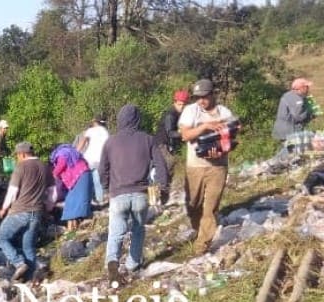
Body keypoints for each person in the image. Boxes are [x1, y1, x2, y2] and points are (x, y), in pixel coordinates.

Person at [99, 104, 170, 285]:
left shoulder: (110, 142)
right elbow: (161, 165)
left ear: (120, 120)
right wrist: (163, 187)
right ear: (138, 119)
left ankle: (112, 262)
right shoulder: (148, 139)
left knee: (116, 232)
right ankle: (133, 264)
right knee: (138, 229)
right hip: (140, 194)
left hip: (118, 195)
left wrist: (107, 187)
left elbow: (102, 170)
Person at [179, 78, 236, 255]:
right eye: (198, 97)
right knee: (193, 203)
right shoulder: (191, 111)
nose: (201, 101)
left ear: (212, 95)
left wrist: (221, 150)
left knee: (211, 206)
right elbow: (185, 135)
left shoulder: (224, 112)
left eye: (204, 97)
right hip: (195, 166)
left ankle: (201, 245)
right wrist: (204, 127)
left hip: (218, 166)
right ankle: (198, 229)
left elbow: (231, 136)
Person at [0, 141, 54, 282]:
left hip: (20, 210)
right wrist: (49, 205)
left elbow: (12, 191)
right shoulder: (44, 166)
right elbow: (53, 190)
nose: (17, 158)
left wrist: (4, 208)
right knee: (28, 246)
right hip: (37, 212)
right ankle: (34, 277)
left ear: (22, 154)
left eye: (17, 155)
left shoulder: (21, 167)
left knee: (1, 238)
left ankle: (18, 263)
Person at [153, 89, 189, 196]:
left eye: (183, 104)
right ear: (174, 102)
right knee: (166, 166)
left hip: (166, 144)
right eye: (179, 104)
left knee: (168, 167)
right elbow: (170, 133)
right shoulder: (171, 115)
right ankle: (159, 192)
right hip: (161, 144)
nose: (181, 107)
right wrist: (183, 134)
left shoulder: (179, 114)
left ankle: (162, 192)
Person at [50, 143, 92, 232]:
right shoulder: (71, 151)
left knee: (71, 201)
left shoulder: (62, 153)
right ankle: (74, 226)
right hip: (84, 174)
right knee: (74, 200)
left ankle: (71, 229)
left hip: (79, 176)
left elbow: (61, 164)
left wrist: (53, 174)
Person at [272, 77, 315, 158]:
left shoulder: (291, 96)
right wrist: (309, 113)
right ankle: (272, 164)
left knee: (291, 150)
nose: (308, 89)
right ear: (300, 88)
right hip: (288, 130)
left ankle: (275, 163)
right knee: (291, 150)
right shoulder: (295, 98)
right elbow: (298, 116)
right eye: (306, 87)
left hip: (286, 129)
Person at [76, 114, 110, 206]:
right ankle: (100, 202)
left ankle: (88, 202)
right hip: (101, 160)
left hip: (88, 159)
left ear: (94, 121)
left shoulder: (90, 131)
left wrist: (75, 154)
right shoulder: (106, 132)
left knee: (87, 182)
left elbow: (81, 143)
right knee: (98, 182)